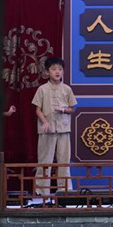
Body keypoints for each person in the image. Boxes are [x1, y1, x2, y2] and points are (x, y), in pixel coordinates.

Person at [32, 57, 77, 199]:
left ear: (63, 71)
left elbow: (72, 109)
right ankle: (42, 191)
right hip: (47, 130)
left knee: (64, 161)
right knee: (45, 161)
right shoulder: (42, 89)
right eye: (53, 69)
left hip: (63, 129)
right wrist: (44, 122)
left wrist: (64, 110)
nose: (57, 72)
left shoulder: (67, 89)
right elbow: (37, 110)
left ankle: (65, 191)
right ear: (47, 72)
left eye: (60, 69)